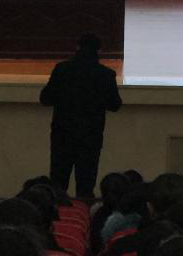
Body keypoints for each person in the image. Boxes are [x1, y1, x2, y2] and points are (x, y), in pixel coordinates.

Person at [39, 31, 122, 198]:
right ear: (99, 50)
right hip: (91, 136)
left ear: (77, 47)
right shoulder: (106, 74)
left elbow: (45, 98)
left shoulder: (62, 69)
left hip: (62, 134)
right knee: (86, 183)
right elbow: (115, 105)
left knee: (58, 181)